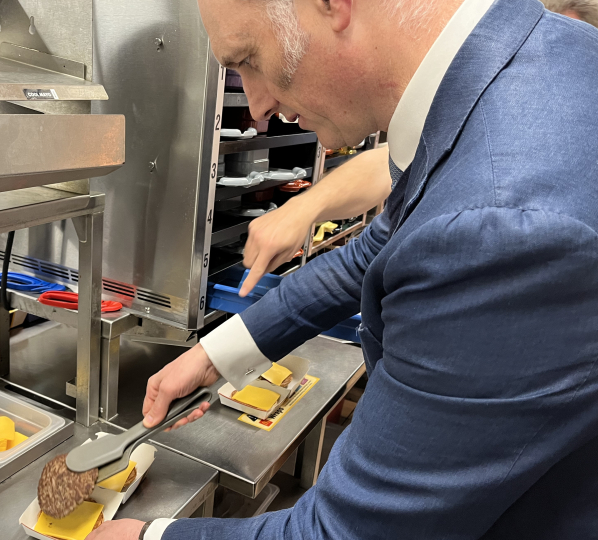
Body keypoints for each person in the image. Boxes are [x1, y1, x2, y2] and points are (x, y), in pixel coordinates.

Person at [89, 0, 598, 538]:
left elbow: (348, 533)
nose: (257, 106)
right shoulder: (531, 61)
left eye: (249, 59)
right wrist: (215, 354)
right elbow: (371, 252)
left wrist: (149, 536)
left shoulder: (504, 230)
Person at [240, 0, 598, 297]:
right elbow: (384, 222)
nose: (257, 109)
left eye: (249, 59)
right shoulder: (460, 121)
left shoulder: (499, 220)